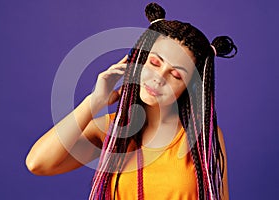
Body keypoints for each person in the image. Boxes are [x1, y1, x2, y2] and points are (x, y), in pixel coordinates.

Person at [26, 2, 237, 200]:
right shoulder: (110, 130)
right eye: (154, 63)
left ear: (189, 88)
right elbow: (38, 163)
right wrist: (95, 101)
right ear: (139, 61)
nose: (159, 77)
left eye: (176, 75)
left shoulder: (204, 138)